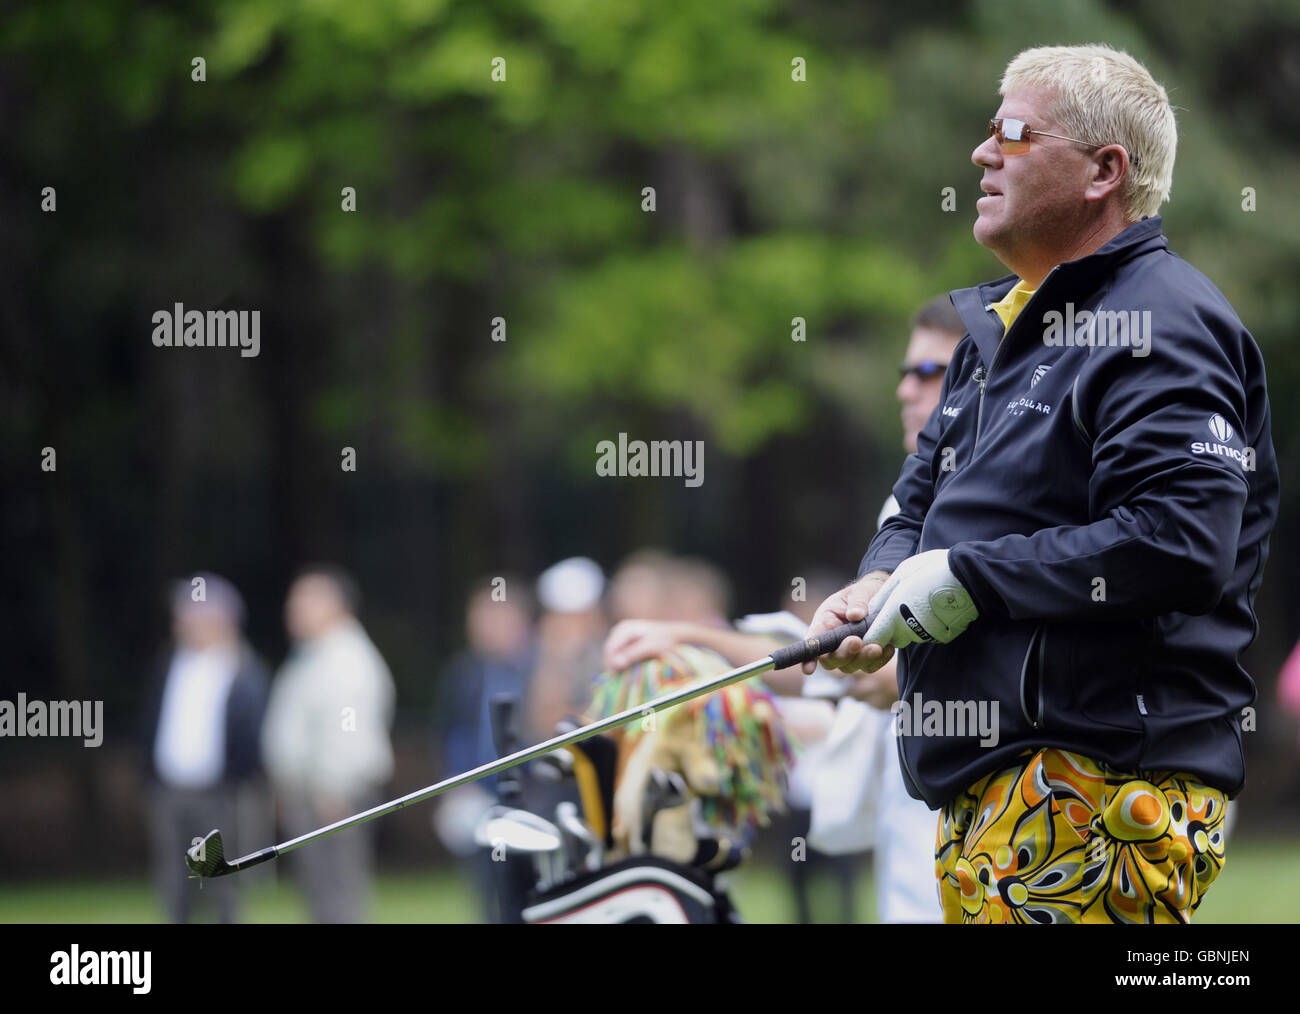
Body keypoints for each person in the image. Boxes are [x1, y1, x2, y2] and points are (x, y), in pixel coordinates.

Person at [804, 44, 1279, 924]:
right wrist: (882, 578)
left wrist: (969, 579)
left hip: (1099, 790)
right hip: (992, 794)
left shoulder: (1162, 321)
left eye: (1015, 134)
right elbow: (916, 505)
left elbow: (1180, 540)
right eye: (988, 134)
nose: (983, 154)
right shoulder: (995, 331)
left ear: (1105, 171)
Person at [261, 565, 396, 923]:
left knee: (338, 893)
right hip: (313, 793)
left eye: (303, 602)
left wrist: (333, 789)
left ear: (335, 606)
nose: (293, 611)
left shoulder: (347, 659)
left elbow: (349, 730)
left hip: (334, 796)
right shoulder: (314, 654)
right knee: (320, 893)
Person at [142, 572, 269, 923]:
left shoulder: (243, 668)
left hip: (221, 793)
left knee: (220, 880)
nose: (181, 623)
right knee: (173, 880)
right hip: (169, 792)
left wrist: (240, 780)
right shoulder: (171, 662)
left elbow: (251, 734)